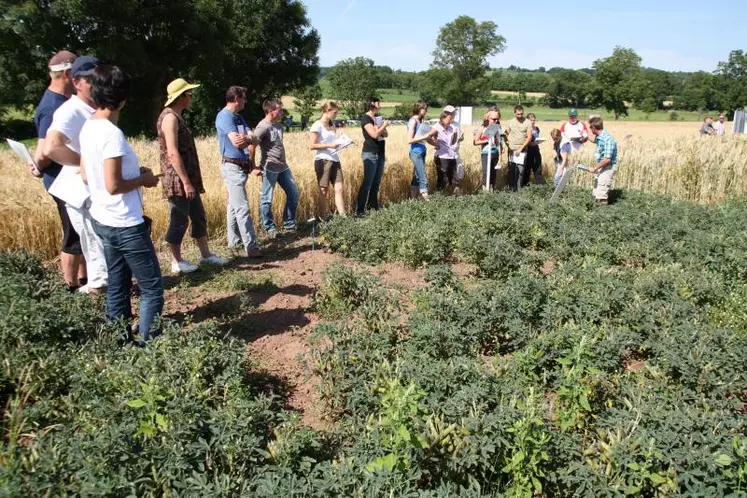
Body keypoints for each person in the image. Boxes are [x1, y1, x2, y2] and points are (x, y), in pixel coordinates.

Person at [79, 65, 163, 343]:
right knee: (152, 287)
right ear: (124, 99)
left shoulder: (89, 126)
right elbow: (113, 185)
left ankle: (119, 340)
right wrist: (143, 180)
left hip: (103, 219)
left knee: (117, 284)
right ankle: (148, 346)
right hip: (125, 223)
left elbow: (88, 173)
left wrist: (135, 173)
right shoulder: (111, 134)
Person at [45, 55, 108, 295]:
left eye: (99, 78)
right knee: (96, 251)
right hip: (82, 195)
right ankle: (105, 314)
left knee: (102, 250)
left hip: (95, 192)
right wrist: (85, 164)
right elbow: (51, 147)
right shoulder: (70, 110)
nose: (96, 84)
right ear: (76, 82)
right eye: (90, 79)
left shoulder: (94, 108)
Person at [158, 78, 227, 274]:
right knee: (179, 218)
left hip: (188, 177)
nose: (191, 97)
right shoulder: (170, 118)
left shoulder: (176, 116)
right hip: (178, 179)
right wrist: (186, 182)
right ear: (181, 97)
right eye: (189, 94)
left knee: (198, 216)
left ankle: (206, 256)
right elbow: (172, 152)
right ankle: (176, 261)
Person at [30, 50, 85, 291]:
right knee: (73, 233)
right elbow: (45, 150)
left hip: (67, 178)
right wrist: (38, 165)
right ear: (65, 74)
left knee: (80, 231)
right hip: (64, 181)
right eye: (77, 74)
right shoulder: (53, 106)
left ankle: (85, 279)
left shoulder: (57, 101)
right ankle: (70, 286)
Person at [215, 86, 262, 258]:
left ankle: (234, 242)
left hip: (241, 166)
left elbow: (255, 138)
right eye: (244, 97)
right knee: (242, 207)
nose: (246, 100)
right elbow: (237, 142)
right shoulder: (224, 117)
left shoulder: (239, 117)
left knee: (233, 207)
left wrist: (249, 139)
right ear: (236, 98)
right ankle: (252, 247)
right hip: (232, 166)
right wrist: (249, 139)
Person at [253, 98, 299, 237]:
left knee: (294, 194)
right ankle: (269, 228)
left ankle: (289, 224)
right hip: (269, 167)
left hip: (283, 166)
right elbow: (252, 145)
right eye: (280, 109)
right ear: (270, 111)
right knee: (267, 198)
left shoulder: (279, 126)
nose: (282, 112)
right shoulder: (262, 127)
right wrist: (253, 166)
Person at [309, 101, 346, 219]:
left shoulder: (331, 125)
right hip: (323, 160)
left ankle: (343, 217)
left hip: (335, 159)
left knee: (339, 189)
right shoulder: (317, 125)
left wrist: (342, 143)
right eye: (335, 112)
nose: (336, 115)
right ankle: (322, 217)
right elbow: (312, 145)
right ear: (327, 110)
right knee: (323, 190)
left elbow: (333, 143)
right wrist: (330, 145)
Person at [357, 97, 388, 216]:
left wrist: (382, 127)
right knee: (367, 183)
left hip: (380, 152)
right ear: (371, 105)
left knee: (376, 182)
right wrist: (383, 125)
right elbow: (374, 135)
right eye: (378, 103)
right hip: (370, 153)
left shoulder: (376, 118)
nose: (380, 105)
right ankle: (359, 210)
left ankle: (373, 206)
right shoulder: (366, 118)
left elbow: (385, 134)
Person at [424, 105, 463, 195]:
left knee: (454, 179)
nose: (450, 121)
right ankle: (439, 197)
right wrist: (436, 144)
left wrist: (459, 138)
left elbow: (454, 139)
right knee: (442, 179)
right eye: (449, 119)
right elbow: (428, 137)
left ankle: (455, 197)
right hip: (442, 156)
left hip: (451, 155)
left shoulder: (452, 127)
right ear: (443, 118)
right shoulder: (437, 126)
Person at [587, 116, 618, 206]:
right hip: (602, 166)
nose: (590, 129)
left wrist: (595, 168)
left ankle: (602, 214)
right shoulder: (600, 136)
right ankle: (597, 211)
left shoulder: (608, 139)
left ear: (594, 128)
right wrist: (586, 137)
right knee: (597, 190)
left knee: (602, 193)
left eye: (590, 127)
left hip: (607, 167)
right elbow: (595, 140)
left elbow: (607, 159)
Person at [504, 104, 534, 191]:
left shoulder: (527, 122)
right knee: (512, 171)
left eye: (521, 114)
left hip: (522, 150)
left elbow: (529, 137)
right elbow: (506, 134)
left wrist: (521, 149)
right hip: (512, 150)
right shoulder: (510, 122)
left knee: (520, 171)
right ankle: (511, 190)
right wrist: (508, 145)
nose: (520, 116)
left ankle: (518, 190)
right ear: (514, 113)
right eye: (518, 114)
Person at [406, 100, 431, 199]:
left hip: (422, 150)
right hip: (415, 151)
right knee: (422, 177)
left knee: (416, 177)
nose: (425, 111)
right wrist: (426, 136)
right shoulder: (413, 121)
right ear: (419, 109)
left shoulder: (421, 121)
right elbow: (410, 140)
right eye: (424, 109)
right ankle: (428, 203)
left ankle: (412, 201)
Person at [473, 109, 503, 190]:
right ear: (487, 118)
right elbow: (475, 142)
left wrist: (500, 157)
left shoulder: (496, 128)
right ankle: (485, 193)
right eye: (493, 119)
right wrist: (486, 140)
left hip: (494, 153)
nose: (496, 121)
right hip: (486, 153)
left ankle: (492, 192)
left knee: (493, 175)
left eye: (497, 119)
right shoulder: (482, 128)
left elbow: (498, 143)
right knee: (486, 175)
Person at [523, 112, 544, 185]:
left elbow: (537, 137)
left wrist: (539, 141)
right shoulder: (525, 129)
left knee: (538, 170)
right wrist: (529, 143)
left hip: (536, 150)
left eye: (534, 120)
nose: (533, 122)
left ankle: (540, 187)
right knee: (527, 170)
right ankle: (525, 186)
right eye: (531, 120)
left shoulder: (537, 129)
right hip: (528, 151)